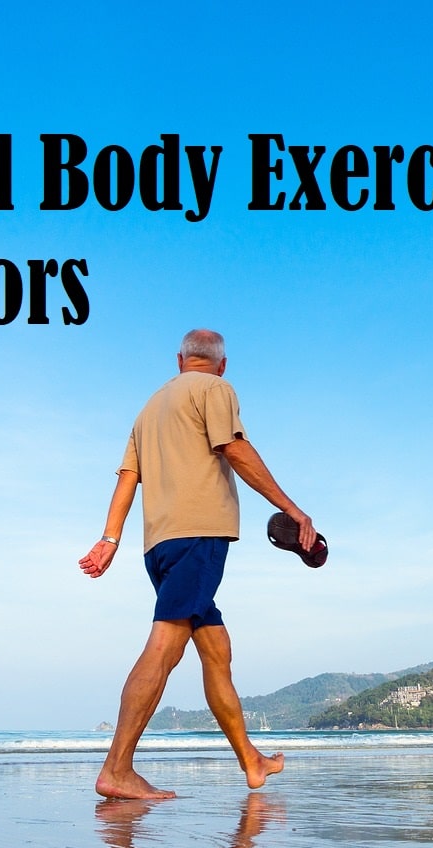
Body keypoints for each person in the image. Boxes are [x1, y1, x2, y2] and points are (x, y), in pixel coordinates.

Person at [80, 329, 317, 800]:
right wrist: (294, 510)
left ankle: (251, 760)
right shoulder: (217, 390)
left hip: (158, 546)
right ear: (222, 364)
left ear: (180, 359)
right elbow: (235, 449)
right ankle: (117, 769)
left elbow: (129, 479)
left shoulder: (149, 409)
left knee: (215, 649)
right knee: (165, 645)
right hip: (199, 536)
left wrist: (110, 538)